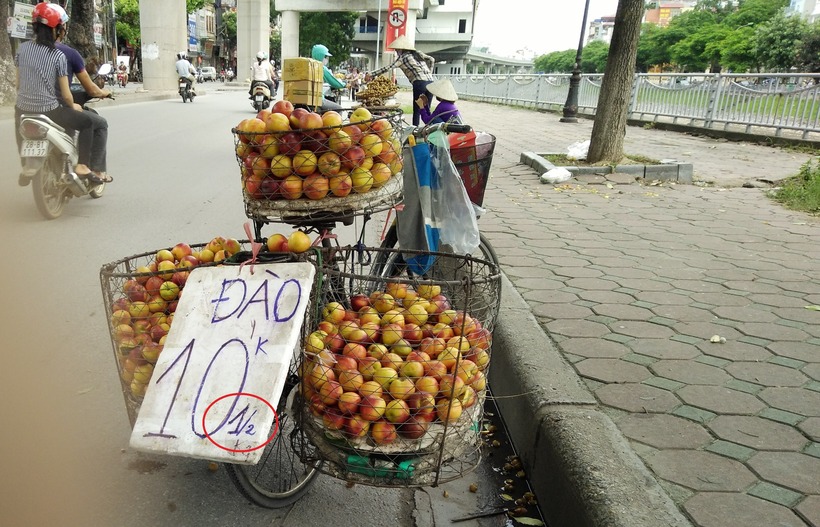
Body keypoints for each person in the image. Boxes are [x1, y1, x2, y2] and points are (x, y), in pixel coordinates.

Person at [14, 2, 96, 184]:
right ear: (57, 30)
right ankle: (82, 165)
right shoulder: (57, 55)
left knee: (21, 127)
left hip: (23, 110)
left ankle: (26, 165)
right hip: (50, 111)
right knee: (87, 122)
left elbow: (18, 84)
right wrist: (73, 105)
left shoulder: (22, 49)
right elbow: (66, 95)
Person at [54, 7, 113, 183]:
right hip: (57, 107)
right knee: (97, 123)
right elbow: (78, 92)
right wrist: (104, 93)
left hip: (29, 109)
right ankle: (94, 169)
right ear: (60, 29)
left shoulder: (26, 51)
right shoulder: (65, 54)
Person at [365, 35, 435, 125]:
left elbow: (388, 67)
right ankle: (430, 130)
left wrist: (371, 74)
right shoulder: (418, 53)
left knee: (417, 110)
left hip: (420, 83)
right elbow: (432, 59)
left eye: (397, 50)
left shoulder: (403, 58)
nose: (397, 52)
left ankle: (414, 132)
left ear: (402, 49)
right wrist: (429, 73)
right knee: (427, 109)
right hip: (431, 82)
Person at [311, 44, 345, 111]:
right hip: (318, 99)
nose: (326, 59)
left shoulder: (310, 65)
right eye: (325, 56)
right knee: (339, 109)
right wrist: (344, 84)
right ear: (321, 56)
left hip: (307, 99)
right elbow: (335, 83)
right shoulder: (321, 68)